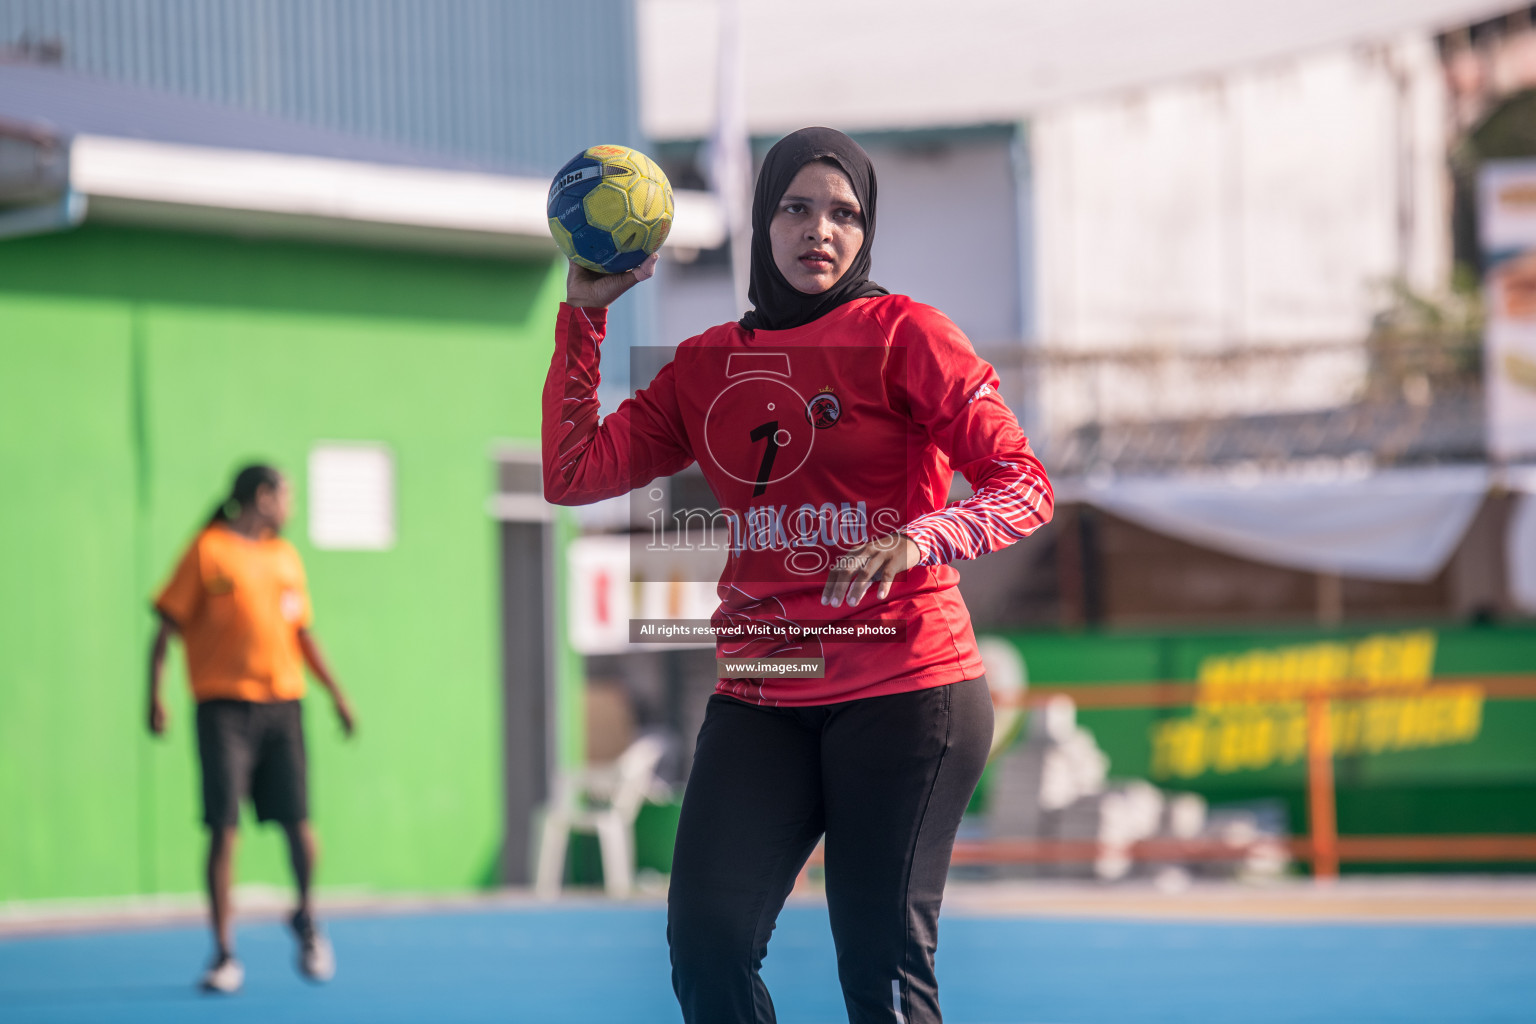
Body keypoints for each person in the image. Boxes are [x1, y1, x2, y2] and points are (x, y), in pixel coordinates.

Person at [541, 127, 1054, 1023]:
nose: (822, 229)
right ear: (762, 220)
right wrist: (586, 315)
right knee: (706, 947)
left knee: (880, 975)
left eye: (846, 213)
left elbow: (1025, 484)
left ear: (867, 232)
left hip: (908, 688)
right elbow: (573, 471)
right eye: (797, 207)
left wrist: (928, 534)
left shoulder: (909, 335)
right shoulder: (705, 365)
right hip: (764, 691)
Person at [148, 464, 356, 995]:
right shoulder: (207, 551)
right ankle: (224, 954)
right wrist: (155, 695)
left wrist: (337, 694)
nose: (291, 504)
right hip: (223, 710)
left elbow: (303, 635)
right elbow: (164, 629)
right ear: (261, 498)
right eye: (285, 494)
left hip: (283, 708)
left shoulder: (285, 557)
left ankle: (307, 919)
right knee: (224, 828)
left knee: (300, 825)